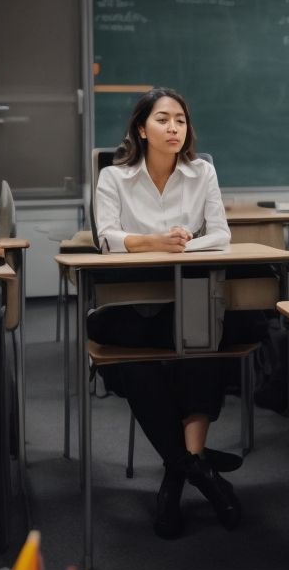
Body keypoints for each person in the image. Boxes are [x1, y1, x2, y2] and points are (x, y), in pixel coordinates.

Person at [91, 87, 238, 539]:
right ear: (141, 128)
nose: (174, 127)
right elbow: (107, 238)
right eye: (162, 119)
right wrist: (154, 241)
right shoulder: (114, 178)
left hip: (184, 298)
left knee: (203, 343)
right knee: (136, 361)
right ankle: (197, 469)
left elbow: (222, 235)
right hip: (128, 305)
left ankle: (177, 477)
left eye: (180, 120)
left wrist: (186, 244)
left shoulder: (202, 172)